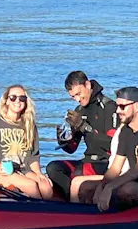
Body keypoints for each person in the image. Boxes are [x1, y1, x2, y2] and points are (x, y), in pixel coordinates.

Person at [73, 86, 138, 212]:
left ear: (137, 107)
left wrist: (110, 187)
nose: (117, 111)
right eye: (116, 106)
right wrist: (102, 186)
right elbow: (115, 168)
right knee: (85, 188)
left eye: (122, 107)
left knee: (127, 190)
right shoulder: (125, 131)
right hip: (135, 184)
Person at [0, 85, 56, 200]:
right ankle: (39, 213)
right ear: (6, 100)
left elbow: (33, 157)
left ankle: (48, 213)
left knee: (46, 187)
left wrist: (39, 174)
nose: (17, 101)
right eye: (13, 97)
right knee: (30, 186)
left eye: (22, 98)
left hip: (22, 169)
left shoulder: (29, 125)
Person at [45, 70, 118, 201]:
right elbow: (72, 149)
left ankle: (79, 204)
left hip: (105, 162)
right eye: (73, 96)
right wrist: (63, 140)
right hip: (87, 160)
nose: (77, 99)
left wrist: (83, 127)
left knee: (79, 172)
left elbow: (111, 144)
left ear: (88, 85)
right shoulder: (80, 110)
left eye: (78, 94)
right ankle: (72, 202)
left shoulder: (109, 107)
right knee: (53, 168)